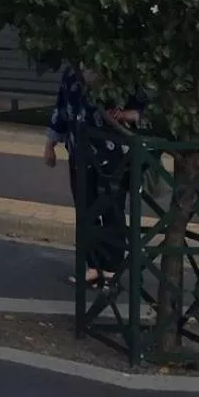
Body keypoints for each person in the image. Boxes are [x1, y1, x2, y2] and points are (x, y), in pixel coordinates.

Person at [44, 67, 138, 286]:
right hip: (80, 155)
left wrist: (126, 115)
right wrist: (50, 145)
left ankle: (112, 267)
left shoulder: (118, 69)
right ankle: (94, 265)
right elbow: (61, 110)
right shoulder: (70, 74)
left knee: (112, 209)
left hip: (113, 155)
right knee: (85, 210)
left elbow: (142, 107)